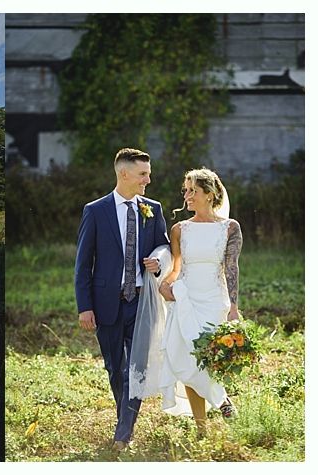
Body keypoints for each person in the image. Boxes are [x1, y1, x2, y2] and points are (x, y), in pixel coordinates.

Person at [74, 148, 170, 450]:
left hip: (142, 302)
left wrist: (158, 259)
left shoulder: (153, 208)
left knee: (135, 368)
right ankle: (124, 421)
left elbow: (165, 247)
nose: (149, 180)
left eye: (149, 173)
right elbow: (83, 263)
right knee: (116, 369)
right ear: (124, 174)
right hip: (106, 303)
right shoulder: (95, 210)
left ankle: (123, 434)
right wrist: (85, 306)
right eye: (143, 174)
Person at [155, 168, 241, 433]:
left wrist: (234, 308)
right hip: (187, 299)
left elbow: (231, 269)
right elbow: (177, 267)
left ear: (210, 193)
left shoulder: (230, 228)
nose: (187, 195)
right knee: (187, 360)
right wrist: (164, 284)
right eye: (186, 190)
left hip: (215, 301)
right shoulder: (180, 229)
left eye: (193, 190)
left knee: (207, 359)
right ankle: (204, 423)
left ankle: (220, 398)